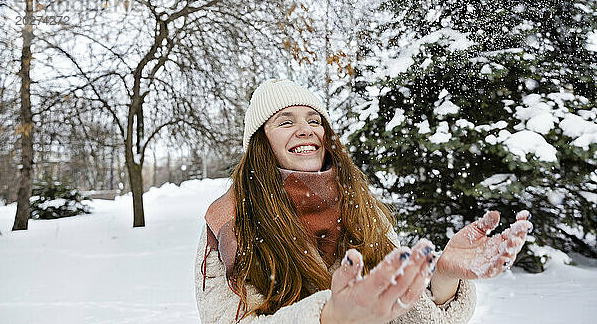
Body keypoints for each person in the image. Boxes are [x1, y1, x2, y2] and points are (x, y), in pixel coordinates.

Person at [194, 79, 532, 323]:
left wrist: (443, 278)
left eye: (315, 120)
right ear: (261, 144)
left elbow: (401, 312)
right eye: (286, 122)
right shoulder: (230, 221)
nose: (306, 129)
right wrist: (327, 317)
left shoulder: (362, 209)